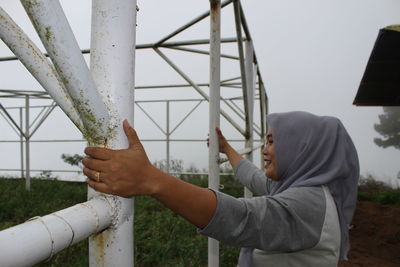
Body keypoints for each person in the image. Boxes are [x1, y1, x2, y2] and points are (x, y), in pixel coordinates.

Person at [82, 111, 359, 267]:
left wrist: (151, 180)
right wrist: (227, 150)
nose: (264, 151)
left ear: (305, 149)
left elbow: (243, 218)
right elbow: (254, 178)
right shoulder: (304, 191)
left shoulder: (307, 203)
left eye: (273, 142)